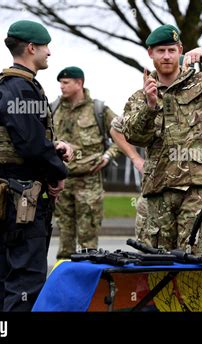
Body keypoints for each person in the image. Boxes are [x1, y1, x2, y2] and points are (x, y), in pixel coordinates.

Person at [0, 20, 73, 311]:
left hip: (3, 194)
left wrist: (52, 147)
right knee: (26, 282)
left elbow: (19, 138)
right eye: (46, 47)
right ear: (31, 48)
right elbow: (31, 145)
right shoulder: (22, 87)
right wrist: (59, 171)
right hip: (22, 200)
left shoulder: (2, 85)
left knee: (2, 276)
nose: (49, 54)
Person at [122, 24, 202, 250]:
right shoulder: (140, 97)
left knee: (196, 256)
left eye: (171, 50)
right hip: (160, 189)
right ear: (150, 53)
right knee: (158, 260)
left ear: (180, 50)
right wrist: (150, 108)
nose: (167, 56)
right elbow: (133, 136)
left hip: (199, 187)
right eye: (160, 51)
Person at [52, 66, 120, 259]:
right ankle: (63, 281)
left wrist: (108, 156)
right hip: (61, 182)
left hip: (89, 182)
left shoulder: (98, 110)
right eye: (60, 83)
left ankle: (88, 284)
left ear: (79, 83)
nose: (61, 87)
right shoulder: (53, 109)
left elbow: (123, 135)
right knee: (64, 236)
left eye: (66, 83)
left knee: (88, 239)